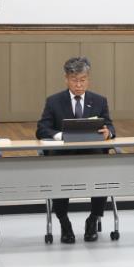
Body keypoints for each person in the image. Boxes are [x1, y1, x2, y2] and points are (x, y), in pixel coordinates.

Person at [36, 56, 115, 244]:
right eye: (74, 80)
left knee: (101, 176)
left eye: (83, 80)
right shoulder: (54, 101)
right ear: (66, 79)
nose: (79, 85)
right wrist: (59, 136)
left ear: (88, 79)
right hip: (63, 156)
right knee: (58, 178)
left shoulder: (99, 101)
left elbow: (110, 127)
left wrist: (108, 133)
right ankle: (64, 222)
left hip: (91, 155)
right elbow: (41, 129)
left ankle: (93, 219)